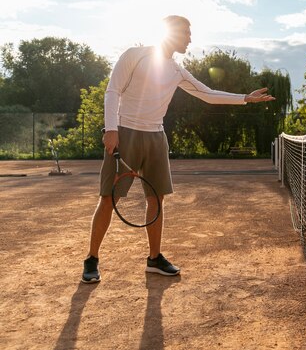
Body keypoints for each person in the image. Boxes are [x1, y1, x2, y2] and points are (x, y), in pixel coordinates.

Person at [81, 15, 275, 283]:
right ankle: (91, 259)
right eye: (186, 33)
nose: (190, 38)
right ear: (171, 33)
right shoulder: (135, 55)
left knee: (157, 199)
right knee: (108, 198)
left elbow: (207, 93)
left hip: (157, 137)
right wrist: (111, 129)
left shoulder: (177, 71)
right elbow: (112, 91)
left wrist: (245, 98)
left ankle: (154, 258)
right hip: (126, 132)